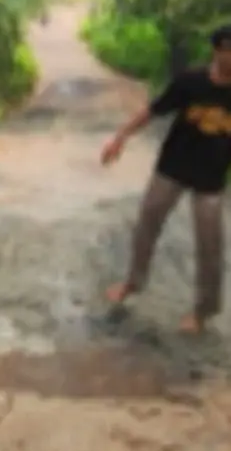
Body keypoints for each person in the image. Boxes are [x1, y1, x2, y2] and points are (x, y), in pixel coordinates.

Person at [99, 24, 231, 335]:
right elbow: (153, 110)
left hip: (211, 178)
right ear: (218, 51)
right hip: (172, 167)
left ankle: (203, 310)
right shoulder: (191, 82)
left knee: (211, 245)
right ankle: (133, 283)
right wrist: (120, 138)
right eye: (229, 50)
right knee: (147, 224)